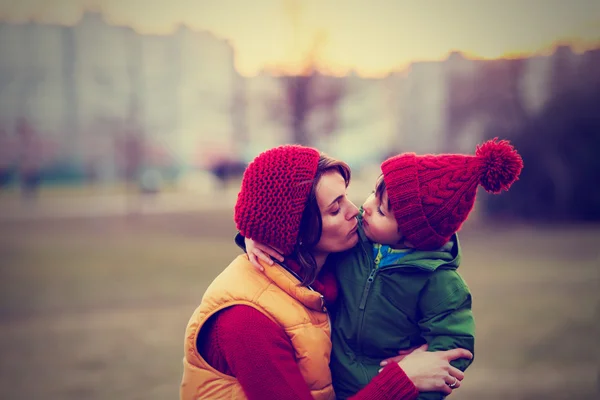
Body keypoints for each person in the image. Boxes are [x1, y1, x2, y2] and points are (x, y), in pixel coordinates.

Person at [180, 145, 473, 400]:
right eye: (335, 210)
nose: (355, 211)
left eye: (346, 196)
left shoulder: (326, 272)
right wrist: (403, 379)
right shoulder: (246, 321)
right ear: (297, 233)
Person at [246, 139, 523, 399]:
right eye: (371, 194)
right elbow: (293, 224)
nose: (363, 207)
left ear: (412, 236)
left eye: (381, 210)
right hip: (334, 383)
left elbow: (454, 346)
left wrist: (419, 376)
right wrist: (253, 236)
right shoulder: (355, 245)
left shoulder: (437, 282)